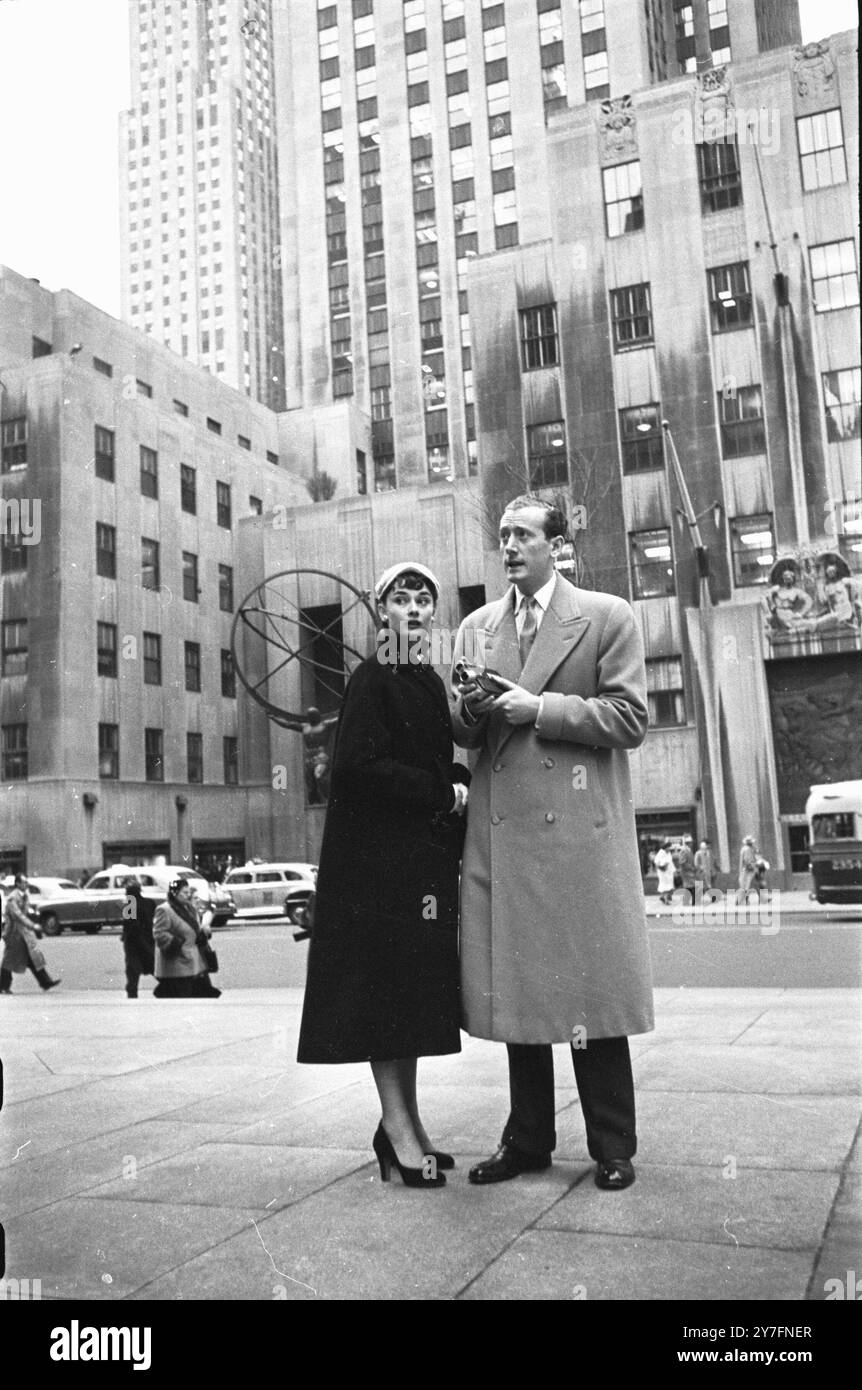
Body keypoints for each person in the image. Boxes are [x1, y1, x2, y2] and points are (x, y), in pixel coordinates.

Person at [451, 494, 653, 1191]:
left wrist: (540, 708)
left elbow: (629, 717)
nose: (510, 547)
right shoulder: (476, 627)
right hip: (506, 839)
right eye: (504, 536)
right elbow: (463, 730)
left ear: (555, 546)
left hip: (577, 838)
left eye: (524, 536)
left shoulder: (606, 615)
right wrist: (471, 711)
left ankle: (613, 1146)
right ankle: (527, 1140)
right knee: (523, 997)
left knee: (589, 998)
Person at [297, 562, 470, 1189]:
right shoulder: (372, 677)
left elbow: (434, 760)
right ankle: (397, 1133)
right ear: (382, 612)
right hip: (377, 872)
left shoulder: (423, 678)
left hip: (414, 867)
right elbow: (359, 769)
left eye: (426, 598)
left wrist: (456, 783)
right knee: (388, 999)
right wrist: (443, 792)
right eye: (404, 599)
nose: (417, 608)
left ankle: (408, 1126)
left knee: (410, 1001)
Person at [152, 878, 221, 998]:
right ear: (175, 893)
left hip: (194, 962)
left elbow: (195, 927)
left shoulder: (189, 908)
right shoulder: (164, 909)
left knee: (202, 997)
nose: (188, 895)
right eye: (184, 892)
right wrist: (176, 942)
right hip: (178, 964)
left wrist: (203, 932)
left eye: (188, 892)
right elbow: (159, 933)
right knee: (184, 1000)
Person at [0, 874, 61, 994]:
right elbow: (18, 916)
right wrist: (33, 925)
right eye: (24, 882)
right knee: (9, 961)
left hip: (23, 934)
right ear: (17, 884)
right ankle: (3, 985)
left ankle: (45, 982)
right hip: (13, 934)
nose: (26, 885)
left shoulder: (24, 896)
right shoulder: (13, 898)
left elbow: (26, 913)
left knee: (33, 957)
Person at [121, 876, 156, 999]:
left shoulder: (130, 903)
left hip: (133, 944)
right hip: (148, 940)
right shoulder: (150, 902)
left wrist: (124, 936)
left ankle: (132, 995)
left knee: (133, 973)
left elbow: (129, 924)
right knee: (153, 967)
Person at [653, 838, 676, 906]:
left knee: (669, 885)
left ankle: (663, 897)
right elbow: (656, 862)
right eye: (669, 847)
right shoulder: (661, 853)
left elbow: (670, 862)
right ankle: (666, 900)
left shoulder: (668, 853)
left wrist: (674, 870)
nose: (670, 849)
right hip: (663, 872)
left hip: (669, 872)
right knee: (665, 885)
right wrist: (662, 867)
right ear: (666, 847)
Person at [677, 835, 696, 901]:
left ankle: (690, 901)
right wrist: (691, 868)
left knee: (690, 886)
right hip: (686, 872)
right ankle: (693, 902)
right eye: (690, 842)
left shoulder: (689, 850)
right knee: (691, 886)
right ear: (688, 843)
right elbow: (682, 862)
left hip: (690, 872)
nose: (692, 844)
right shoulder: (684, 851)